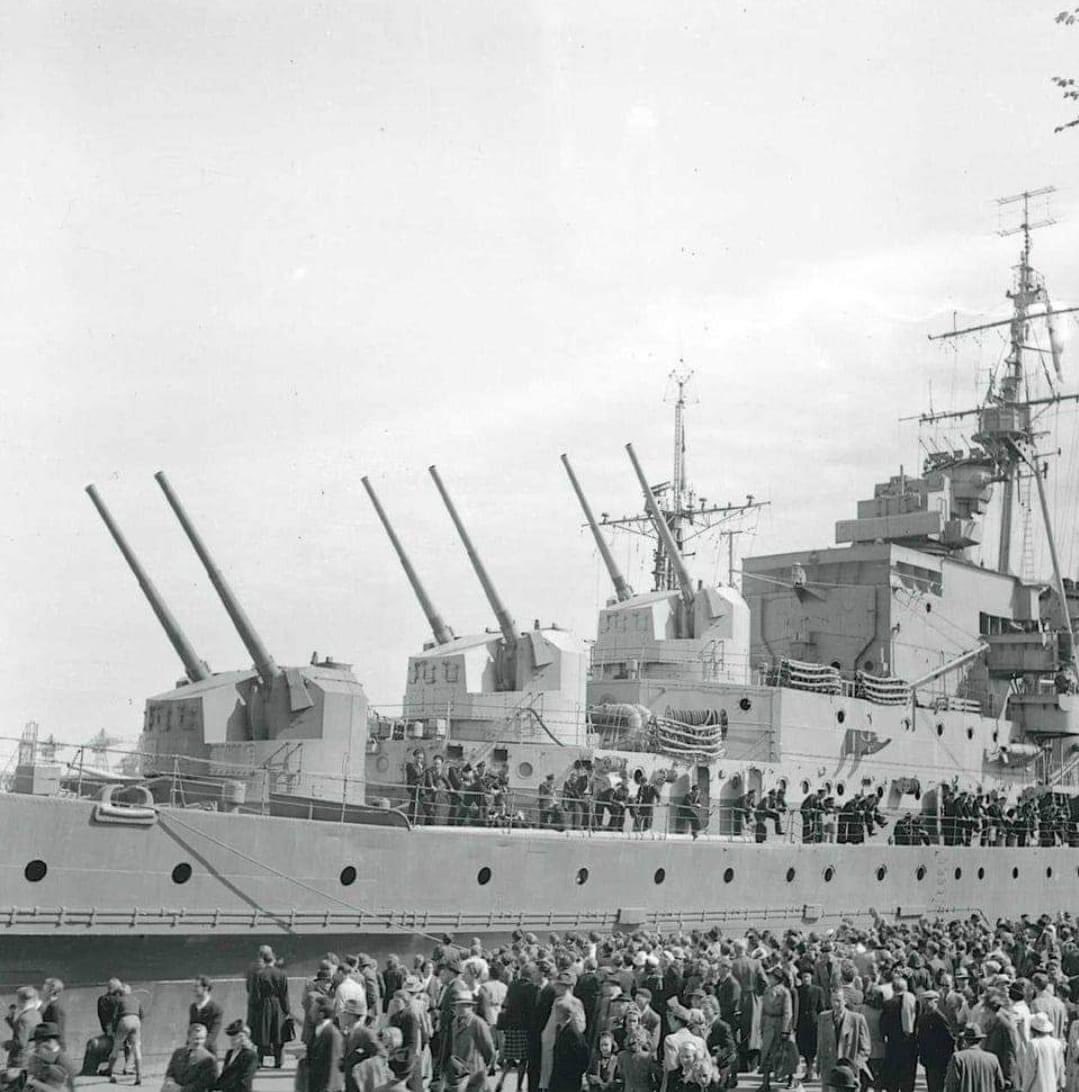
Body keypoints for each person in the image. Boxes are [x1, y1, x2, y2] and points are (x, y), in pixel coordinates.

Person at [816, 988, 871, 1091]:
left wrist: (856, 1065)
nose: (835, 1004)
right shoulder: (823, 1018)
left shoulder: (857, 1019)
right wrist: (819, 1065)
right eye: (833, 1000)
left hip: (848, 1070)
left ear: (845, 1001)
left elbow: (865, 1047)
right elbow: (820, 1043)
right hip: (829, 1067)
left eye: (839, 1001)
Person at [443, 990, 494, 1092]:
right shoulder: (454, 1022)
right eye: (458, 1006)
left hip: (474, 1071)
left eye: (465, 1006)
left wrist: (485, 1066)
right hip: (457, 1071)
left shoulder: (478, 1023)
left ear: (471, 1007)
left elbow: (489, 1049)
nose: (461, 1009)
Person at [248, 944, 291, 1068]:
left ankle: (260, 1060)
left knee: (263, 1032)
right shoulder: (282, 974)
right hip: (277, 1004)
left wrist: (255, 1007)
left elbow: (255, 994)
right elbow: (284, 993)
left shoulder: (259, 974)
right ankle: (278, 1061)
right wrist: (286, 1009)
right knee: (277, 1032)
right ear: (273, 960)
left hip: (264, 1005)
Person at [944, 1025, 1004, 1092]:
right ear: (980, 1041)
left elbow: (951, 1087)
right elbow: (1000, 1086)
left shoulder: (958, 1058)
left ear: (965, 1040)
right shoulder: (993, 1059)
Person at [549, 996, 590, 1092]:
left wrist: (574, 1074)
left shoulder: (573, 1034)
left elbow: (583, 1056)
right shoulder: (562, 1030)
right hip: (560, 1079)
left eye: (556, 1012)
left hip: (568, 1081)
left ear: (561, 1014)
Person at [917, 992, 955, 1092]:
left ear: (936, 1002)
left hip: (940, 1059)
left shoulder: (939, 1017)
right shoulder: (923, 1017)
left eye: (930, 1001)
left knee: (938, 1086)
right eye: (925, 1001)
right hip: (929, 1058)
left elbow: (949, 1038)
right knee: (932, 1085)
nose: (927, 1003)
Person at [162, 1024, 217, 1092]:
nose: (198, 1042)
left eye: (201, 1039)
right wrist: (169, 1081)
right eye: (195, 1038)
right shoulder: (178, 1053)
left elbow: (203, 1084)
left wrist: (181, 1089)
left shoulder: (209, 1059)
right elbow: (170, 1072)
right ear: (188, 1037)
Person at [107, 984, 143, 1086]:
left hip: (124, 1020)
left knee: (116, 1047)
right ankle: (139, 1075)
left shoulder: (119, 1000)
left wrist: (114, 1029)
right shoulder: (137, 1000)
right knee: (136, 1048)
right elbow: (142, 1015)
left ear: (120, 993)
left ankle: (110, 1071)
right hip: (136, 1021)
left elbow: (115, 1016)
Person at [24, 1023, 75, 1092]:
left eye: (38, 1044)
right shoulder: (47, 1058)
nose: (36, 1048)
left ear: (49, 1042)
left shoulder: (62, 1061)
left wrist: (35, 1083)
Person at [307, 998, 345, 1092]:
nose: (309, 1013)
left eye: (312, 1010)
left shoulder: (332, 1034)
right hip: (316, 1085)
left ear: (321, 1014)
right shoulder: (316, 1031)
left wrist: (327, 1088)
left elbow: (333, 1064)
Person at [795, 968, 825, 1081]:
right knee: (803, 1047)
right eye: (803, 977)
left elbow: (821, 1007)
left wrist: (821, 1022)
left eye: (807, 976)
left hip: (813, 1022)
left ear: (811, 977)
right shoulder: (797, 990)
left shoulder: (818, 990)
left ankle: (810, 1071)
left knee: (812, 1048)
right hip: (801, 1022)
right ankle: (808, 1070)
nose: (805, 979)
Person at [1023, 1013, 1065, 1092]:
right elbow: (1060, 1067)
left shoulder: (1033, 1044)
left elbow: (1030, 1070)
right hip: (1052, 1086)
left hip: (1036, 1087)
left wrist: (1025, 1088)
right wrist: (1061, 1084)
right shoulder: (1057, 1043)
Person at [213, 1022, 258, 1092]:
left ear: (244, 1039)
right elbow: (225, 1074)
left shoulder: (250, 1055)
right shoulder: (230, 1053)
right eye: (231, 1039)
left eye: (235, 1039)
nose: (232, 1042)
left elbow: (245, 1079)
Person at [7, 986, 42, 1068]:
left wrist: (5, 1044)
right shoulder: (36, 1014)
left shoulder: (24, 1018)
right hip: (32, 1056)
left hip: (20, 1060)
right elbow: (25, 1031)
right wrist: (11, 1020)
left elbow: (20, 1043)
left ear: (21, 1000)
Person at [189, 978, 224, 1056]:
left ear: (205, 988)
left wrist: (201, 1047)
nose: (194, 989)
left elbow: (213, 1033)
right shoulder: (193, 1007)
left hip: (208, 1050)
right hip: (193, 1048)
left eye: (197, 986)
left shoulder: (216, 1008)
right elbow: (191, 1028)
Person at [39, 981, 66, 1051]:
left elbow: (58, 1030)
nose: (42, 992)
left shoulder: (55, 1007)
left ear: (51, 991)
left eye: (44, 990)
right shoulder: (49, 1006)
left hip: (53, 1047)